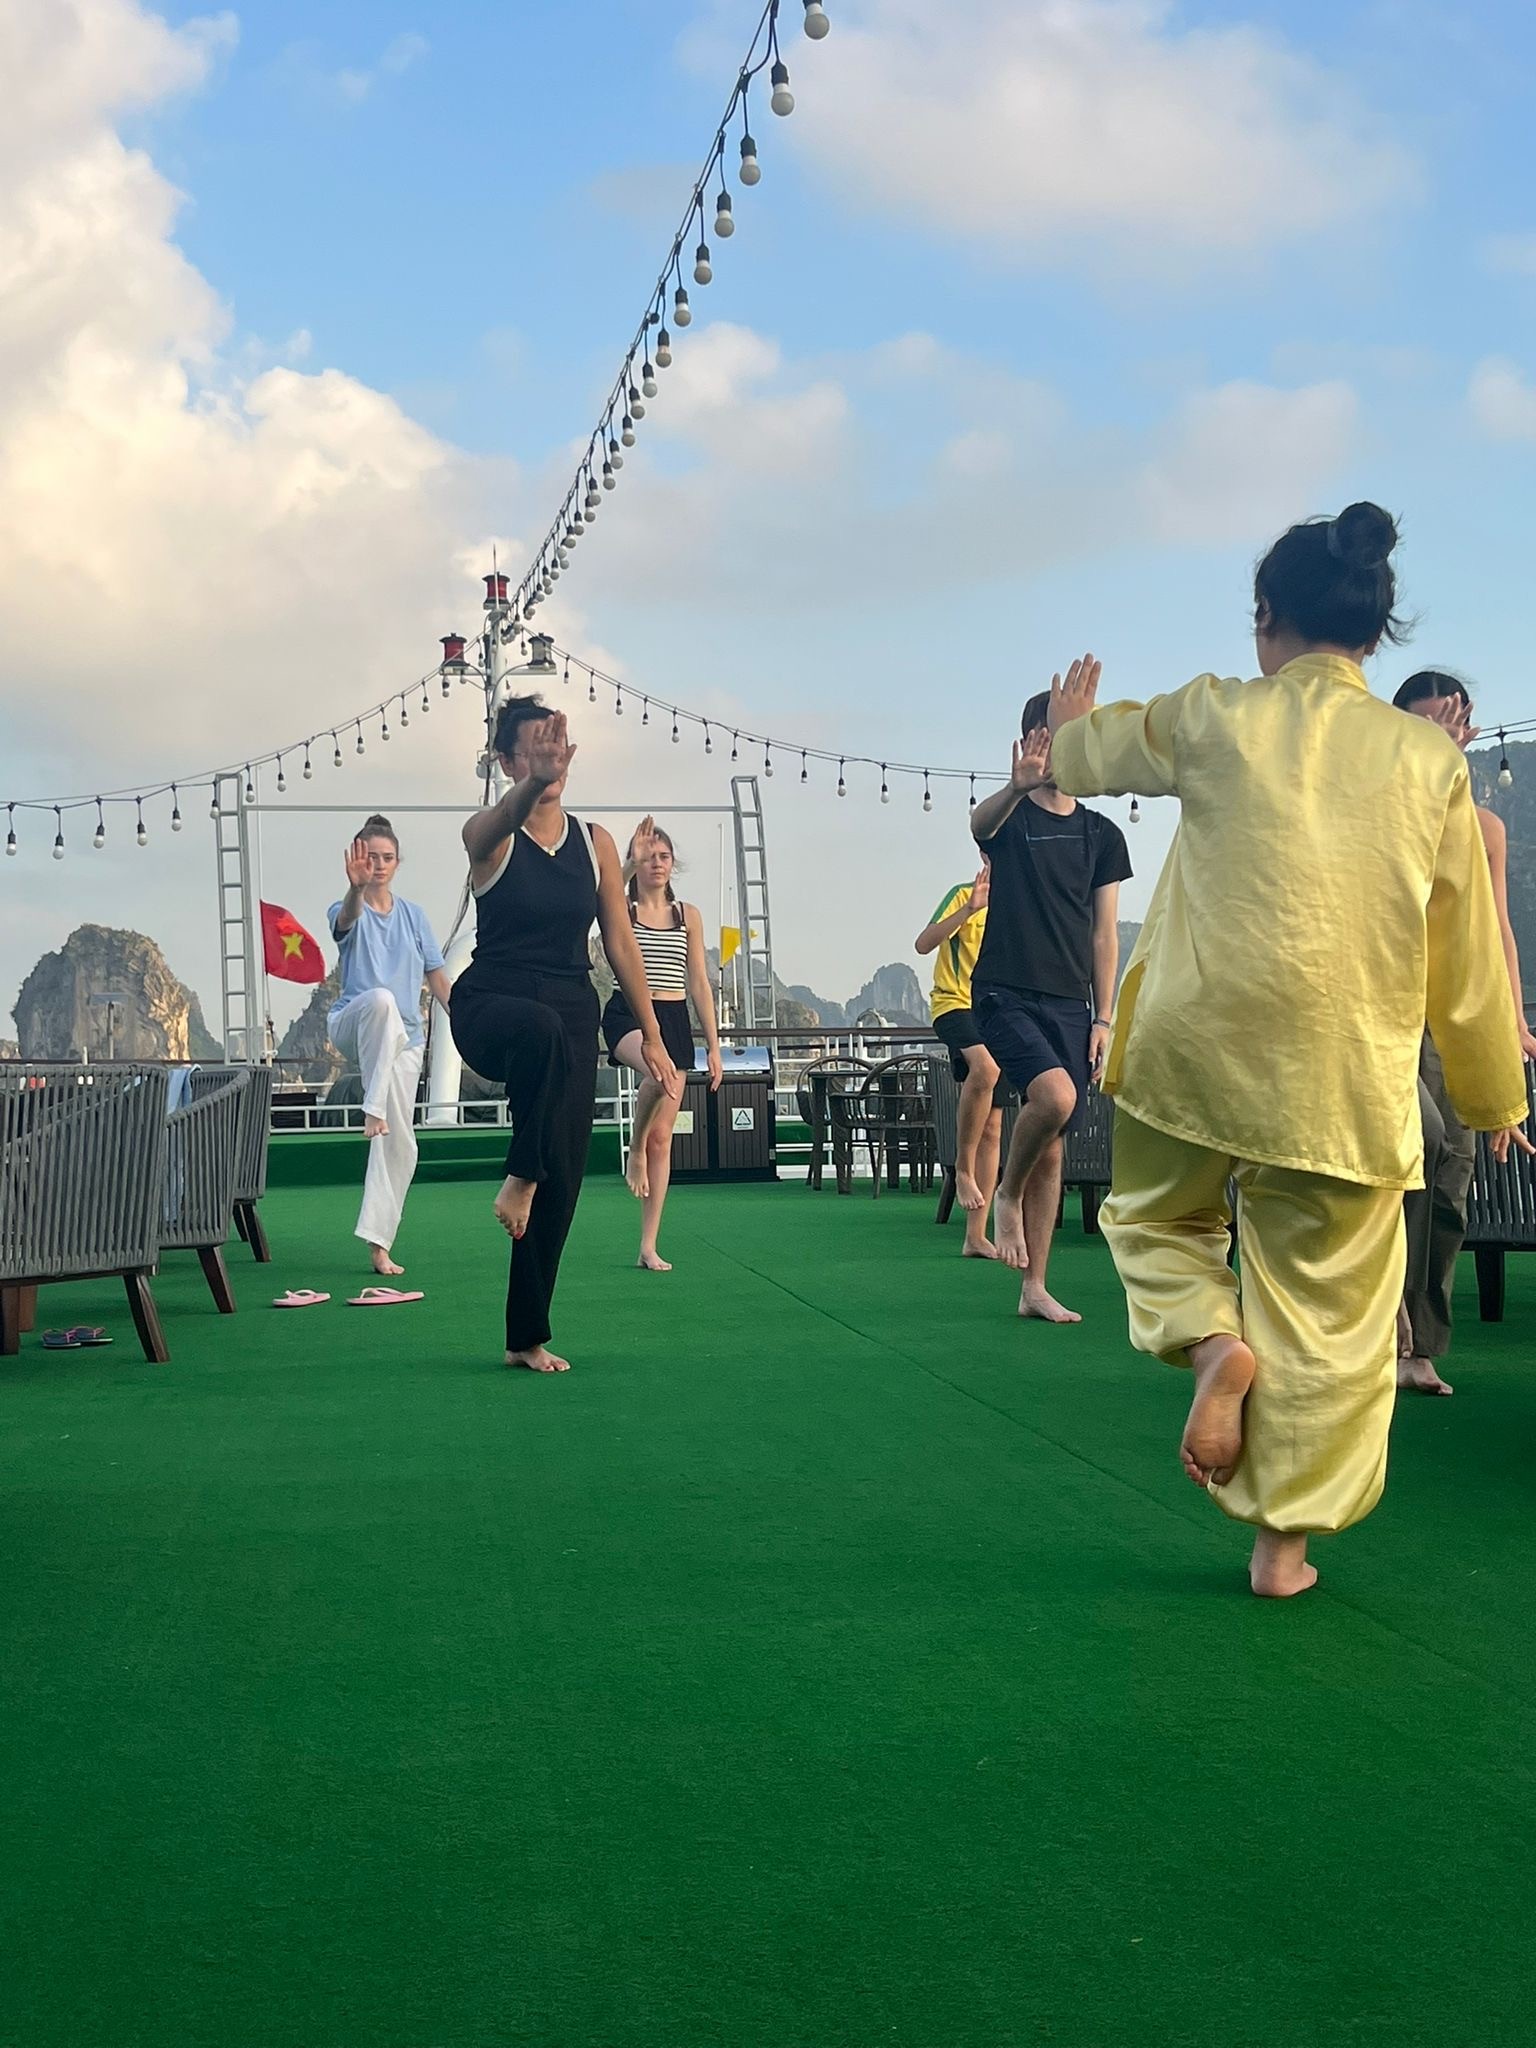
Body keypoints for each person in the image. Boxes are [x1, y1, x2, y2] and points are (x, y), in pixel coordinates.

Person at [1043, 501, 1530, 1598]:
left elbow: (1102, 751)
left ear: (1267, 617)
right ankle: (1281, 1550)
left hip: (1193, 1051)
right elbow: (1464, 960)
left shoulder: (1218, 713)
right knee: (1334, 1315)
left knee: (1155, 1218)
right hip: (1344, 1077)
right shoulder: (1429, 763)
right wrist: (1495, 1094)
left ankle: (1209, 1342)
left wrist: (1070, 730)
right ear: (1376, 631)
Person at [449, 701, 675, 1373]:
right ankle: (521, 1173)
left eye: (559, 747)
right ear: (506, 762)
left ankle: (525, 1337)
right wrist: (532, 786)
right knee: (542, 1034)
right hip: (494, 1006)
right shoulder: (489, 834)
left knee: (567, 1175)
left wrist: (652, 1035)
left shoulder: (595, 842)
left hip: (571, 1009)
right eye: (535, 750)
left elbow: (620, 942)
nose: (552, 759)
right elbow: (492, 824)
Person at [1391, 671, 1536, 1396]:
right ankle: (1379, 1326)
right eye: (1421, 727)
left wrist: (1511, 1018)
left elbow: (1495, 927)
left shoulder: (1485, 828)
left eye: (1448, 727)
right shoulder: (1383, 806)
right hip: (1385, 1010)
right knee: (1405, 1157)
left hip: (1458, 1016)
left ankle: (1421, 1345)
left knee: (1452, 1176)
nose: (1438, 737)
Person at [969, 697, 1131, 1320]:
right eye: (1059, 734)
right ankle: (1006, 1195)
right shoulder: (1011, 820)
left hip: (1071, 1003)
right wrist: (1016, 788)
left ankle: (1034, 1287)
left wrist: (1103, 1017)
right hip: (1004, 991)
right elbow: (980, 826)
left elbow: (1104, 934)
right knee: (1056, 1098)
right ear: (1034, 740)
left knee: (1055, 1145)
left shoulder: (1102, 835)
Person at [327, 815, 450, 1277]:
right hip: (354, 1023)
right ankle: (373, 1107)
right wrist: (355, 888)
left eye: (387, 858)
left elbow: (438, 978)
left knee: (401, 1146)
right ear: (358, 859)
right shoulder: (347, 908)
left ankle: (379, 1244)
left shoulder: (415, 917)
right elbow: (345, 921)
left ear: (398, 862)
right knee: (381, 1000)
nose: (378, 865)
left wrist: (469, 1020)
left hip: (404, 1041)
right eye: (371, 857)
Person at [603, 817, 724, 1271]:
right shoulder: (624, 909)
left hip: (674, 1019)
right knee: (660, 1073)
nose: (656, 863)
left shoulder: (687, 915)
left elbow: (699, 982)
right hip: (630, 1013)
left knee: (662, 1138)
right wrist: (627, 863)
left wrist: (714, 1045)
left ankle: (648, 1245)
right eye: (648, 857)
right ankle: (633, 1150)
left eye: (663, 856)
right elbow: (601, 895)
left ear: (673, 864)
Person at [915, 859, 1006, 1258]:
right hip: (954, 1005)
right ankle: (963, 1169)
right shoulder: (964, 895)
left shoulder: (1022, 904)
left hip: (999, 1012)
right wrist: (969, 909)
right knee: (985, 1067)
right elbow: (923, 944)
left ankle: (975, 1236)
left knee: (994, 1127)